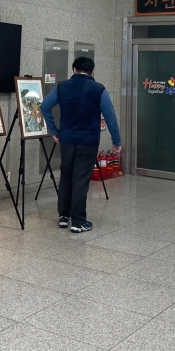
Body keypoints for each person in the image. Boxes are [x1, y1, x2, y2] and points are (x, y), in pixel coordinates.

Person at [41, 57, 121, 233]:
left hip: (66, 140)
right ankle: (78, 222)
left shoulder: (62, 87)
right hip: (88, 141)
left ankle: (63, 216)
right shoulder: (99, 89)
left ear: (74, 70)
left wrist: (54, 130)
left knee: (66, 175)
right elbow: (110, 117)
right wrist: (116, 141)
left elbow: (45, 106)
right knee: (80, 180)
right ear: (92, 72)